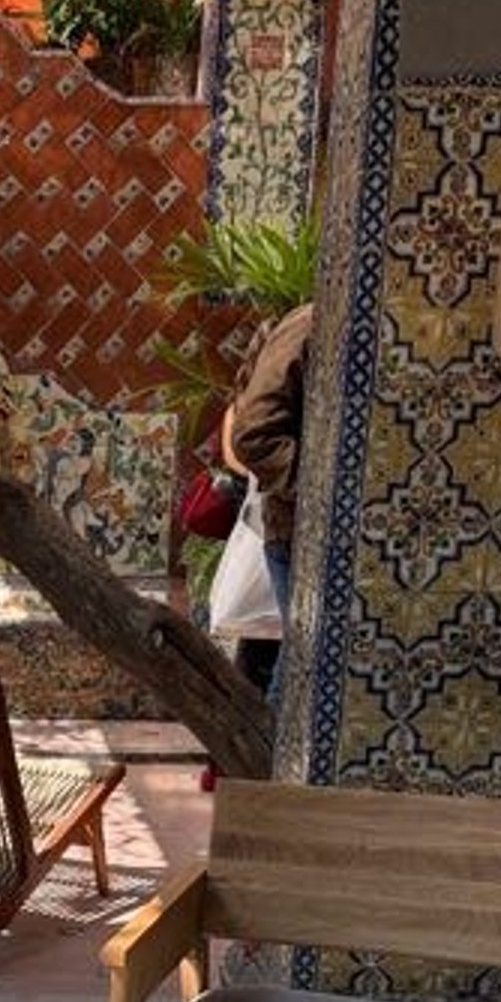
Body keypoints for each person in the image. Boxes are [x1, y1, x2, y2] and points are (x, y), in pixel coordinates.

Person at [217, 299, 312, 702]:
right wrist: (319, 495)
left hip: (292, 528)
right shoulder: (308, 327)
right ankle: (265, 741)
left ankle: (258, 737)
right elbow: (250, 437)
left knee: (289, 661)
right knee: (299, 667)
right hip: (294, 530)